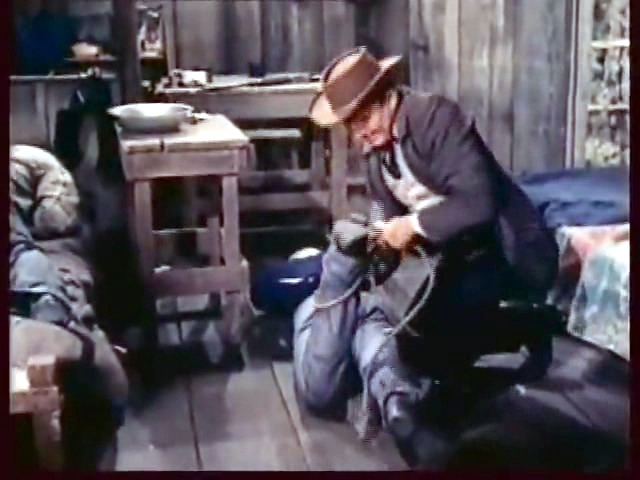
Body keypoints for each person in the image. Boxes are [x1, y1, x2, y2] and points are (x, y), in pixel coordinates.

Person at [292, 47, 560, 467]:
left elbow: (479, 201)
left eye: (363, 121)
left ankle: (530, 324)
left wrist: (412, 226)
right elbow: (385, 216)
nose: (359, 135)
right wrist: (372, 244)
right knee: (416, 348)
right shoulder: (377, 155)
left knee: (441, 347)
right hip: (460, 254)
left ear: (386, 97)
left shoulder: (436, 117)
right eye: (351, 126)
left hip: (505, 250)